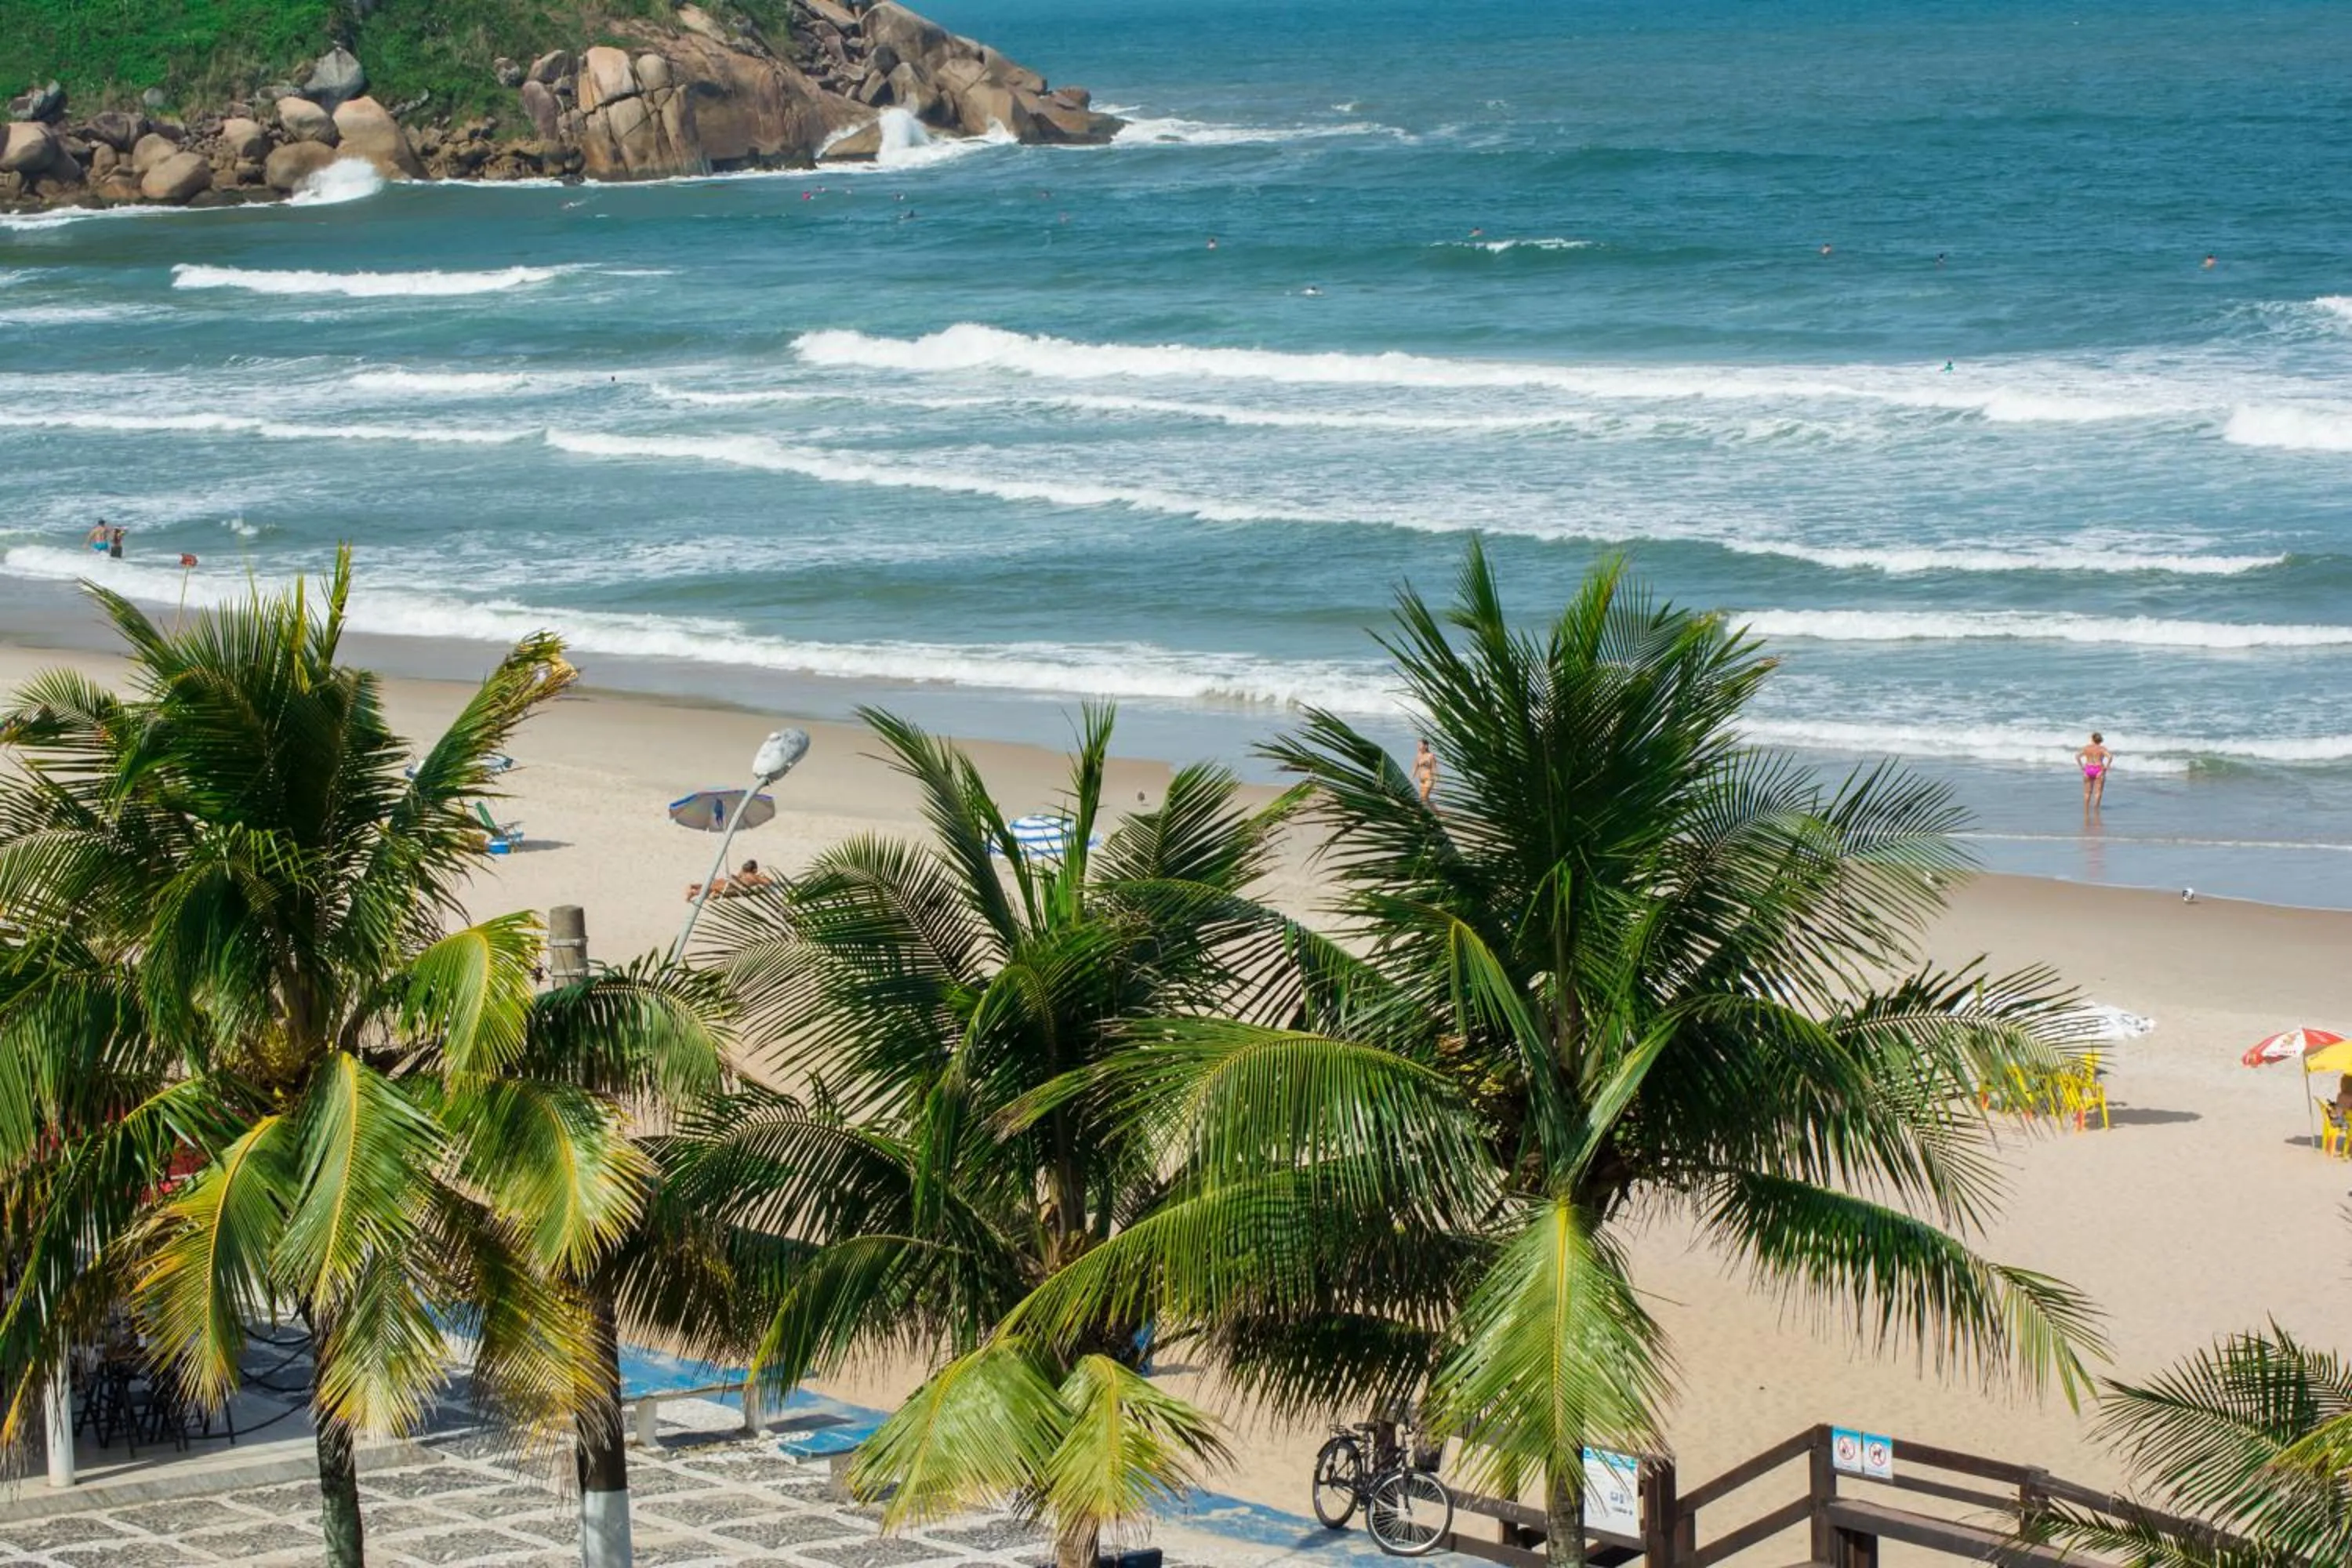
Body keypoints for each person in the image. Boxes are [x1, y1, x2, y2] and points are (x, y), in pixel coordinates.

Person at [2074, 731, 2113, 817]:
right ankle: (2096, 810)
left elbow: (2077, 756)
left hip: (2088, 769)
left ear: (2092, 739)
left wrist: (2081, 767)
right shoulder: (2102, 749)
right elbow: (2110, 757)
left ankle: (2086, 810)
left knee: (2087, 793)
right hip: (2099, 769)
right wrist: (2107, 767)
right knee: (2098, 792)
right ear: (2100, 740)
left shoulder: (2087, 748)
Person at [1412, 738, 1439, 805]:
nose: (1418, 747)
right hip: (1421, 780)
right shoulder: (1418, 756)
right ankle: (1436, 813)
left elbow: (1434, 768)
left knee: (1424, 797)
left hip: (1429, 779)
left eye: (1420, 745)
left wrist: (1437, 782)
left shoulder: (1431, 756)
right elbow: (1415, 768)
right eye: (1418, 745)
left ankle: (1433, 812)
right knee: (1423, 798)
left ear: (1426, 746)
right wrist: (1411, 778)